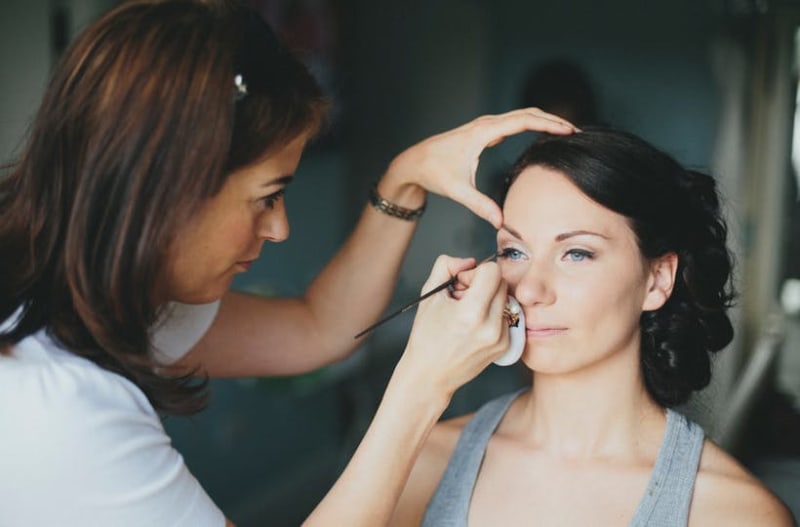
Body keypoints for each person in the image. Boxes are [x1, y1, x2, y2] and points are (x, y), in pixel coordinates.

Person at [0, 1, 579, 525]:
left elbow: (317, 327)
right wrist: (420, 385)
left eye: (578, 251)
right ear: (167, 189)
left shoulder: (93, 298)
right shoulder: (58, 412)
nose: (280, 228)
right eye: (265, 197)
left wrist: (405, 179)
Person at [390, 127, 796, 526]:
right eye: (514, 251)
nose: (530, 289)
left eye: (577, 254)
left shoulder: (736, 514)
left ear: (657, 280)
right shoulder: (426, 459)